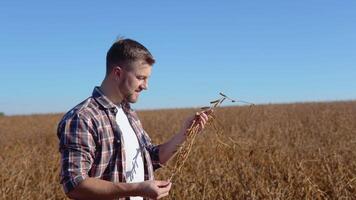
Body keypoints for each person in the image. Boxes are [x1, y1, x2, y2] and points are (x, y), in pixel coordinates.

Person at [57, 38, 210, 200]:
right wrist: (138, 188)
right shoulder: (83, 117)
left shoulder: (128, 113)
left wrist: (185, 133)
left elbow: (153, 158)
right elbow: (75, 185)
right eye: (140, 77)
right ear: (117, 73)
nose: (146, 86)